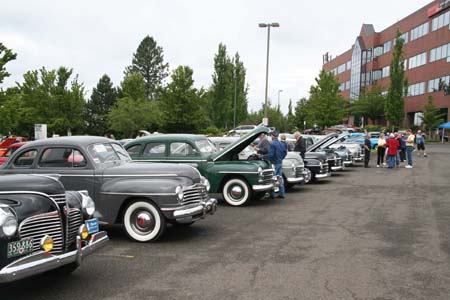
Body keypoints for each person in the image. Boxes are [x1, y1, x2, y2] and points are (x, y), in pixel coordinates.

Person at [264, 131, 287, 199]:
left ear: (273, 136)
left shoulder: (272, 144)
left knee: (272, 178)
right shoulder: (281, 143)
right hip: (280, 162)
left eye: (271, 135)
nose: (271, 137)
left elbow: (271, 155)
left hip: (274, 163)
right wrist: (281, 158)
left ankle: (272, 194)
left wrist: (263, 157)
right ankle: (282, 193)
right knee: (280, 178)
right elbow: (285, 152)